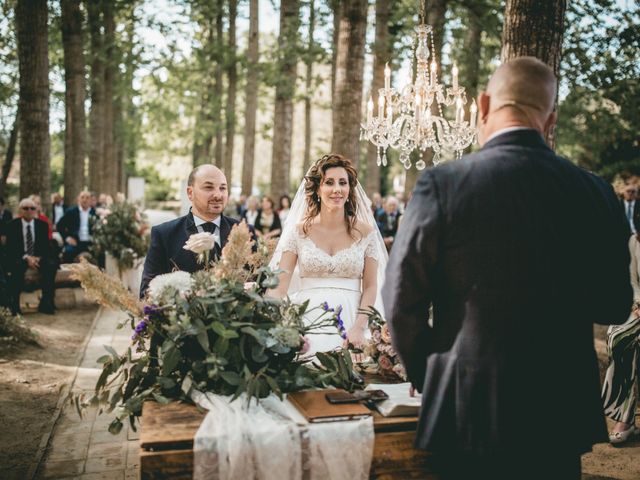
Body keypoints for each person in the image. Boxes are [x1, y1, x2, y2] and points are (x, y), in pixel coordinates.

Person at [382, 57, 632, 480]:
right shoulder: (594, 192)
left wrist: (433, 376)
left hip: (465, 408)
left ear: (483, 105)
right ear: (550, 118)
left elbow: (401, 297)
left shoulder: (443, 184)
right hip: (557, 411)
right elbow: (613, 304)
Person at [268, 154, 388, 357]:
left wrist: (359, 327)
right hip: (307, 320)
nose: (337, 189)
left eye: (343, 183)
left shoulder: (366, 232)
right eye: (329, 183)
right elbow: (279, 288)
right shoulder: (298, 232)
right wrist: (287, 328)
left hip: (353, 319)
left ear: (350, 190)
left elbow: (370, 286)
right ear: (317, 189)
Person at [140, 165, 246, 297]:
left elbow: (258, 283)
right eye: (208, 187)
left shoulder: (243, 231)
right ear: (190, 193)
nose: (218, 195)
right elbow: (147, 292)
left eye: (223, 188)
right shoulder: (164, 234)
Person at [602, 234, 640, 445]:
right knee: (617, 337)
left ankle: (625, 420)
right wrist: (637, 303)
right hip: (639, 308)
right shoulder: (634, 241)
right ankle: (624, 416)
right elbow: (633, 280)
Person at [5, 198, 58, 314]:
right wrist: (26, 258)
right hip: (20, 258)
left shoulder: (42, 225)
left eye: (32, 208)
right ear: (20, 211)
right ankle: (15, 305)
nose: (29, 211)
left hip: (38, 257)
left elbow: (45, 247)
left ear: (36, 210)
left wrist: (38, 258)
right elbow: (11, 248)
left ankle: (46, 302)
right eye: (25, 208)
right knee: (16, 268)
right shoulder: (12, 226)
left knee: (51, 266)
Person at [57, 191, 97, 263]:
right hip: (76, 242)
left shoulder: (95, 213)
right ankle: (68, 274)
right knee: (68, 252)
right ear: (78, 199)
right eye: (82, 197)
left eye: (87, 198)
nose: (84, 200)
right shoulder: (71, 212)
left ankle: (100, 274)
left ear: (91, 200)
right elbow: (59, 225)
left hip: (91, 243)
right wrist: (67, 238)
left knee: (101, 254)